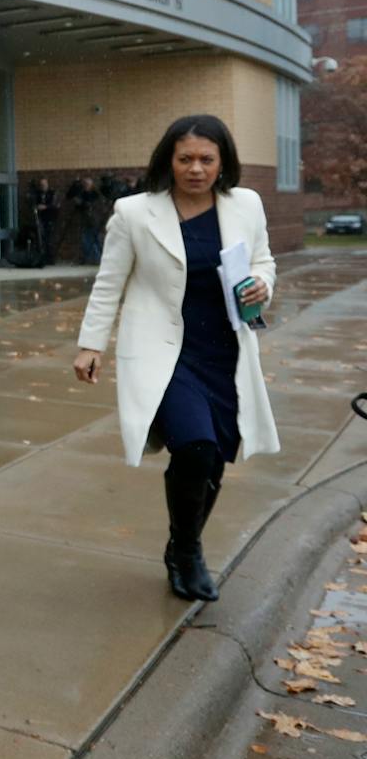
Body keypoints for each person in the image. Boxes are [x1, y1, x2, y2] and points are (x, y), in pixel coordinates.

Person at [73, 115, 277, 602]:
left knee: (216, 458)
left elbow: (263, 261)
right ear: (169, 159)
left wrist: (263, 284)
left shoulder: (245, 204)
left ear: (222, 161)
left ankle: (182, 544)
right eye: (185, 158)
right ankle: (187, 553)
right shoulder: (134, 212)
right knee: (195, 446)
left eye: (207, 159)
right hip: (161, 351)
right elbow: (110, 281)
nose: (196, 169)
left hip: (224, 348)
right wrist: (90, 343)